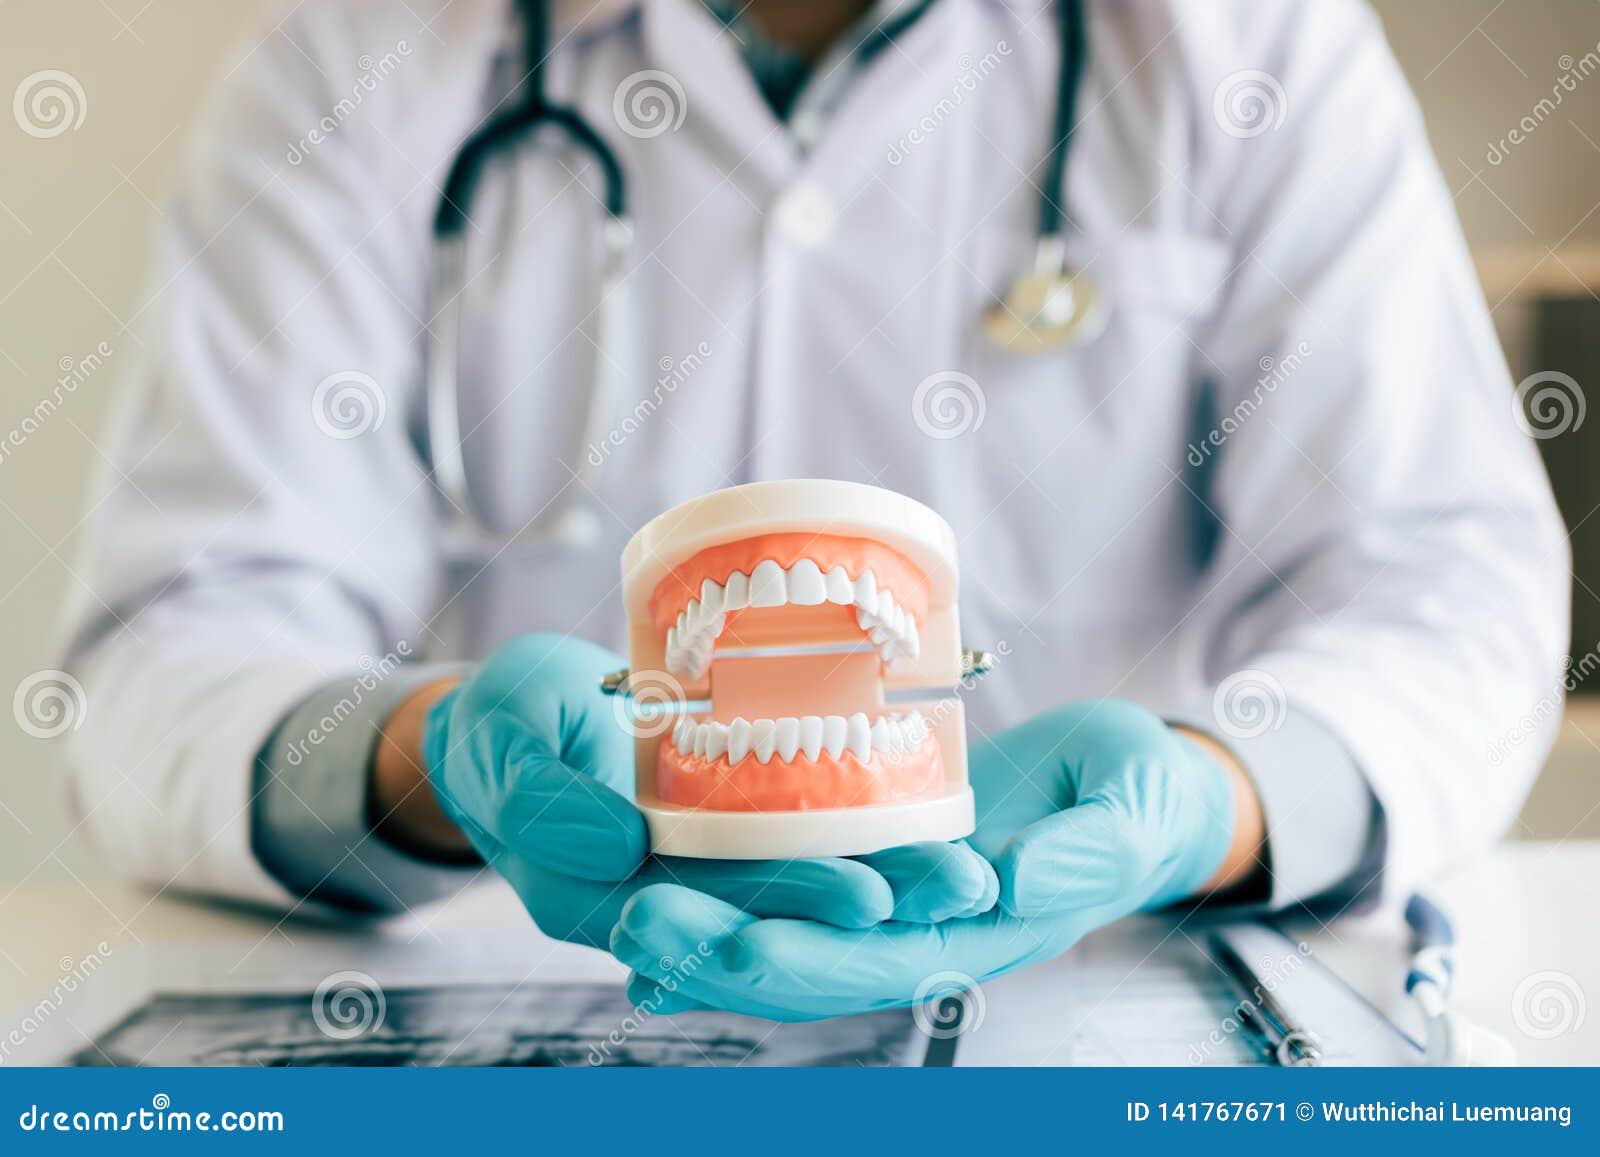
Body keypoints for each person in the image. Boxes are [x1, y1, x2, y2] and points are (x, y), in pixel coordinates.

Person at [58, 0, 1567, 1022]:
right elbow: (166, 654)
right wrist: (423, 761)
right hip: (536, 1018)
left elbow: (1449, 584)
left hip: (1097, 1009)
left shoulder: (1247, 42)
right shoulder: (362, 50)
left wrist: (1209, 802)